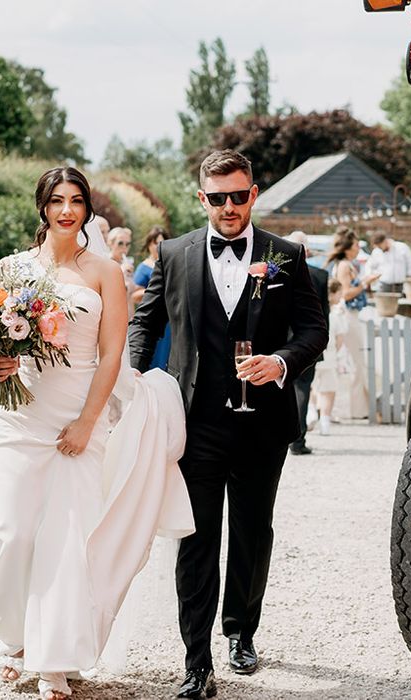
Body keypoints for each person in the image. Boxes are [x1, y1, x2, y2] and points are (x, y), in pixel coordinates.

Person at [0, 167, 194, 700]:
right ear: (42, 207)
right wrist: (0, 362)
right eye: (57, 201)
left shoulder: (104, 273)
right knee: (8, 533)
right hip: (19, 412)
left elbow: (112, 354)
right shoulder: (11, 268)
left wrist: (87, 421)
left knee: (64, 537)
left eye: (76, 200)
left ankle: (54, 658)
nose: (67, 210)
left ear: (87, 208)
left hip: (80, 411)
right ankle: (15, 640)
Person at [129, 149, 327, 699]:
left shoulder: (284, 256)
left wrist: (280, 361)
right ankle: (197, 662)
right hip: (194, 425)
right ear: (202, 199)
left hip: (262, 425)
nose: (229, 206)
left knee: (251, 533)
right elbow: (145, 325)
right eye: (218, 198)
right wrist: (136, 382)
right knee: (196, 539)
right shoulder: (174, 252)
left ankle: (241, 631)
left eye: (239, 196)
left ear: (254, 194)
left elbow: (314, 331)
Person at [324, 229, 378, 419]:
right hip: (348, 316)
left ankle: (358, 407)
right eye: (355, 245)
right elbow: (346, 294)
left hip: (350, 315)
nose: (358, 248)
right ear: (347, 248)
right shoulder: (345, 265)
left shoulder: (344, 264)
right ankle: (357, 409)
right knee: (357, 362)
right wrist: (364, 283)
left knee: (355, 362)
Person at [285, 230, 329, 456]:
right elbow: (323, 315)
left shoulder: (277, 273)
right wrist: (323, 341)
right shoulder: (319, 275)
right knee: (302, 389)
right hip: (307, 341)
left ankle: (281, 436)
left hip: (281, 341)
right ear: (307, 250)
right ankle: (297, 439)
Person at [133, 225, 172, 370]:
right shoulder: (144, 267)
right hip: (152, 317)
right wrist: (156, 291)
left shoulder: (169, 264)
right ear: (150, 244)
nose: (159, 246)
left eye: (162, 242)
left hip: (169, 320)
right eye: (156, 243)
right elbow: (134, 295)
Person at [313, 278, 349, 435]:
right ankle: (325, 420)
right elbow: (340, 339)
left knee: (311, 386)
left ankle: (311, 411)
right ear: (332, 294)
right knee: (328, 390)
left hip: (313, 358)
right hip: (330, 357)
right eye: (339, 294)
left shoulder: (314, 313)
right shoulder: (334, 315)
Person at [108, 226, 136, 318]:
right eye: (120, 243)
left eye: (127, 244)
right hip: (113, 316)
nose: (124, 248)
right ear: (110, 243)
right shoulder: (105, 264)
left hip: (129, 317)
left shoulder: (127, 264)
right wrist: (121, 273)